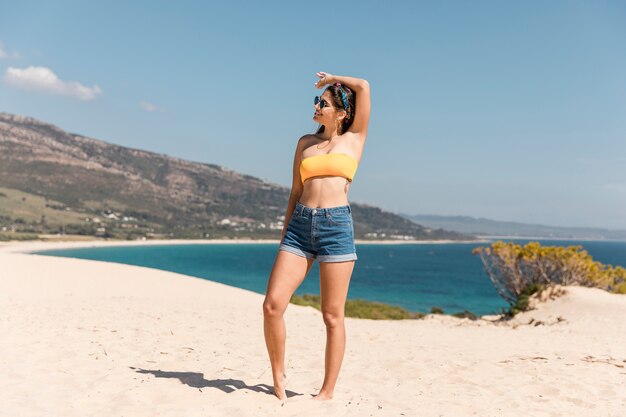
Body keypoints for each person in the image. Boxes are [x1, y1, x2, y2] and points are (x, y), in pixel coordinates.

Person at [262, 71, 371, 401]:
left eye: (322, 102)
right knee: (272, 306)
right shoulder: (305, 144)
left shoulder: (355, 139)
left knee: (332, 315)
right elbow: (295, 191)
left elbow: (364, 86)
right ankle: (278, 379)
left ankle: (326, 391)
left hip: (336, 228)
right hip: (299, 228)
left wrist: (335, 78)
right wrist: (285, 233)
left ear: (341, 113)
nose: (316, 105)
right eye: (316, 101)